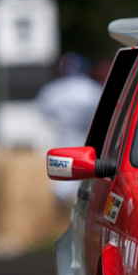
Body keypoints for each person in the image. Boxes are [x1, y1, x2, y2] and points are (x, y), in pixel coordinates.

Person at [36, 52, 104, 202]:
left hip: (62, 136)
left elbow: (43, 112)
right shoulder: (92, 89)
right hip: (86, 135)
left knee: (62, 174)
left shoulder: (52, 90)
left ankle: (62, 202)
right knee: (85, 174)